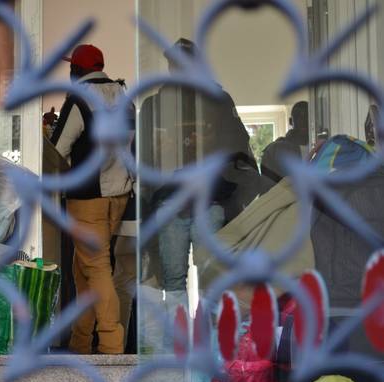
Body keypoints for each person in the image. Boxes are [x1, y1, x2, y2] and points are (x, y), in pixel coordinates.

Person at [140, 38, 271, 317]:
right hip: (176, 202)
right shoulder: (159, 104)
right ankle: (192, 346)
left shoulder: (215, 101)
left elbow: (237, 150)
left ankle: (208, 344)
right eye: (174, 63)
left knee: (206, 282)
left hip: (205, 201)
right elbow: (143, 157)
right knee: (179, 282)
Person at [51, 44, 133, 354]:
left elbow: (58, 149)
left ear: (78, 72)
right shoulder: (124, 98)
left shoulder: (79, 99)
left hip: (87, 198)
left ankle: (112, 343)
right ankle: (80, 342)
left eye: (72, 69)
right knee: (82, 268)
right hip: (118, 194)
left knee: (97, 267)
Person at [260, 101, 310, 182]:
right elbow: (268, 186)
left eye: (307, 116)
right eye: (298, 116)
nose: (303, 120)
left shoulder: (323, 147)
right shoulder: (274, 150)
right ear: (291, 121)